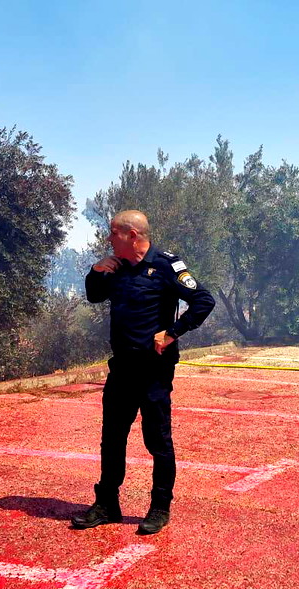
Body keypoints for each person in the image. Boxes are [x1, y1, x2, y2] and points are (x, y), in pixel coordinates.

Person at [72, 210, 215, 535]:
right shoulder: (116, 267)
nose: (109, 238)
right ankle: (107, 504)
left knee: (157, 440)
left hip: (154, 371)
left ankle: (160, 507)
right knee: (112, 439)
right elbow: (94, 295)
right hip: (121, 368)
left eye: (114, 232)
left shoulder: (166, 265)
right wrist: (96, 271)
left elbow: (203, 300)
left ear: (132, 235)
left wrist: (172, 332)